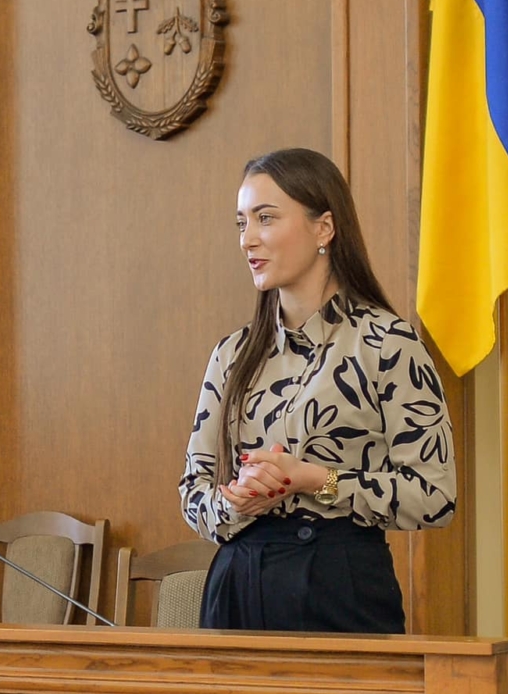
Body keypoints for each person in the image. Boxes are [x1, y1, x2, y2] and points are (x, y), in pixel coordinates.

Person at [179, 148, 455, 633]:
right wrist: (237, 501)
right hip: (237, 582)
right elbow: (193, 494)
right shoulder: (231, 354)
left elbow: (434, 495)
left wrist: (314, 479)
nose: (247, 239)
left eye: (266, 218)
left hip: (339, 583)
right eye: (242, 223)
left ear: (324, 228)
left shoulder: (387, 343)